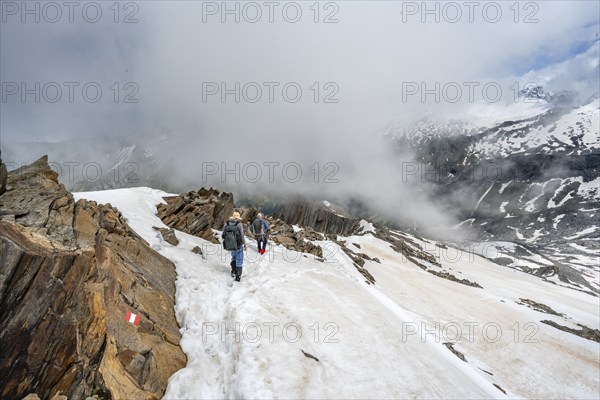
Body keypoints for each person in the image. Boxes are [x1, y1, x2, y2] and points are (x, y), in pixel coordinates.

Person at [222, 211, 246, 282]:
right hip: (238, 244)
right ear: (237, 218)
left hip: (230, 244)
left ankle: (233, 271)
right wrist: (244, 244)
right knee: (239, 259)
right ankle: (238, 275)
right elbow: (241, 235)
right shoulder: (239, 224)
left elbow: (223, 234)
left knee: (233, 257)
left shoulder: (227, 223)